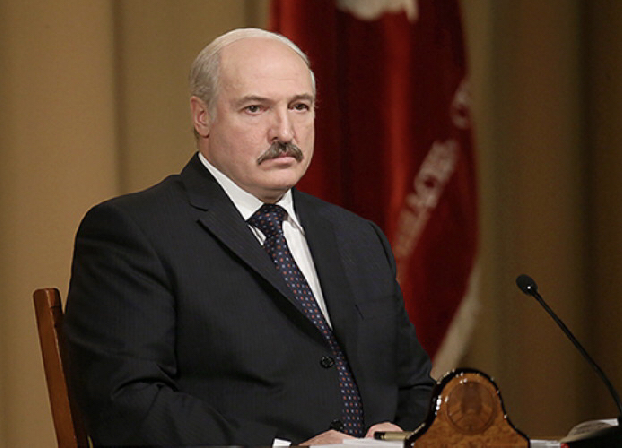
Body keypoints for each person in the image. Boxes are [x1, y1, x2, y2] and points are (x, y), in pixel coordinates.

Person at [64, 27, 434, 446]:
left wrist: (409, 436)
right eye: (256, 108)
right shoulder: (133, 232)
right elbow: (127, 404)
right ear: (202, 116)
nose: (285, 132)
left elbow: (414, 386)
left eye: (299, 107)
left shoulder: (358, 237)